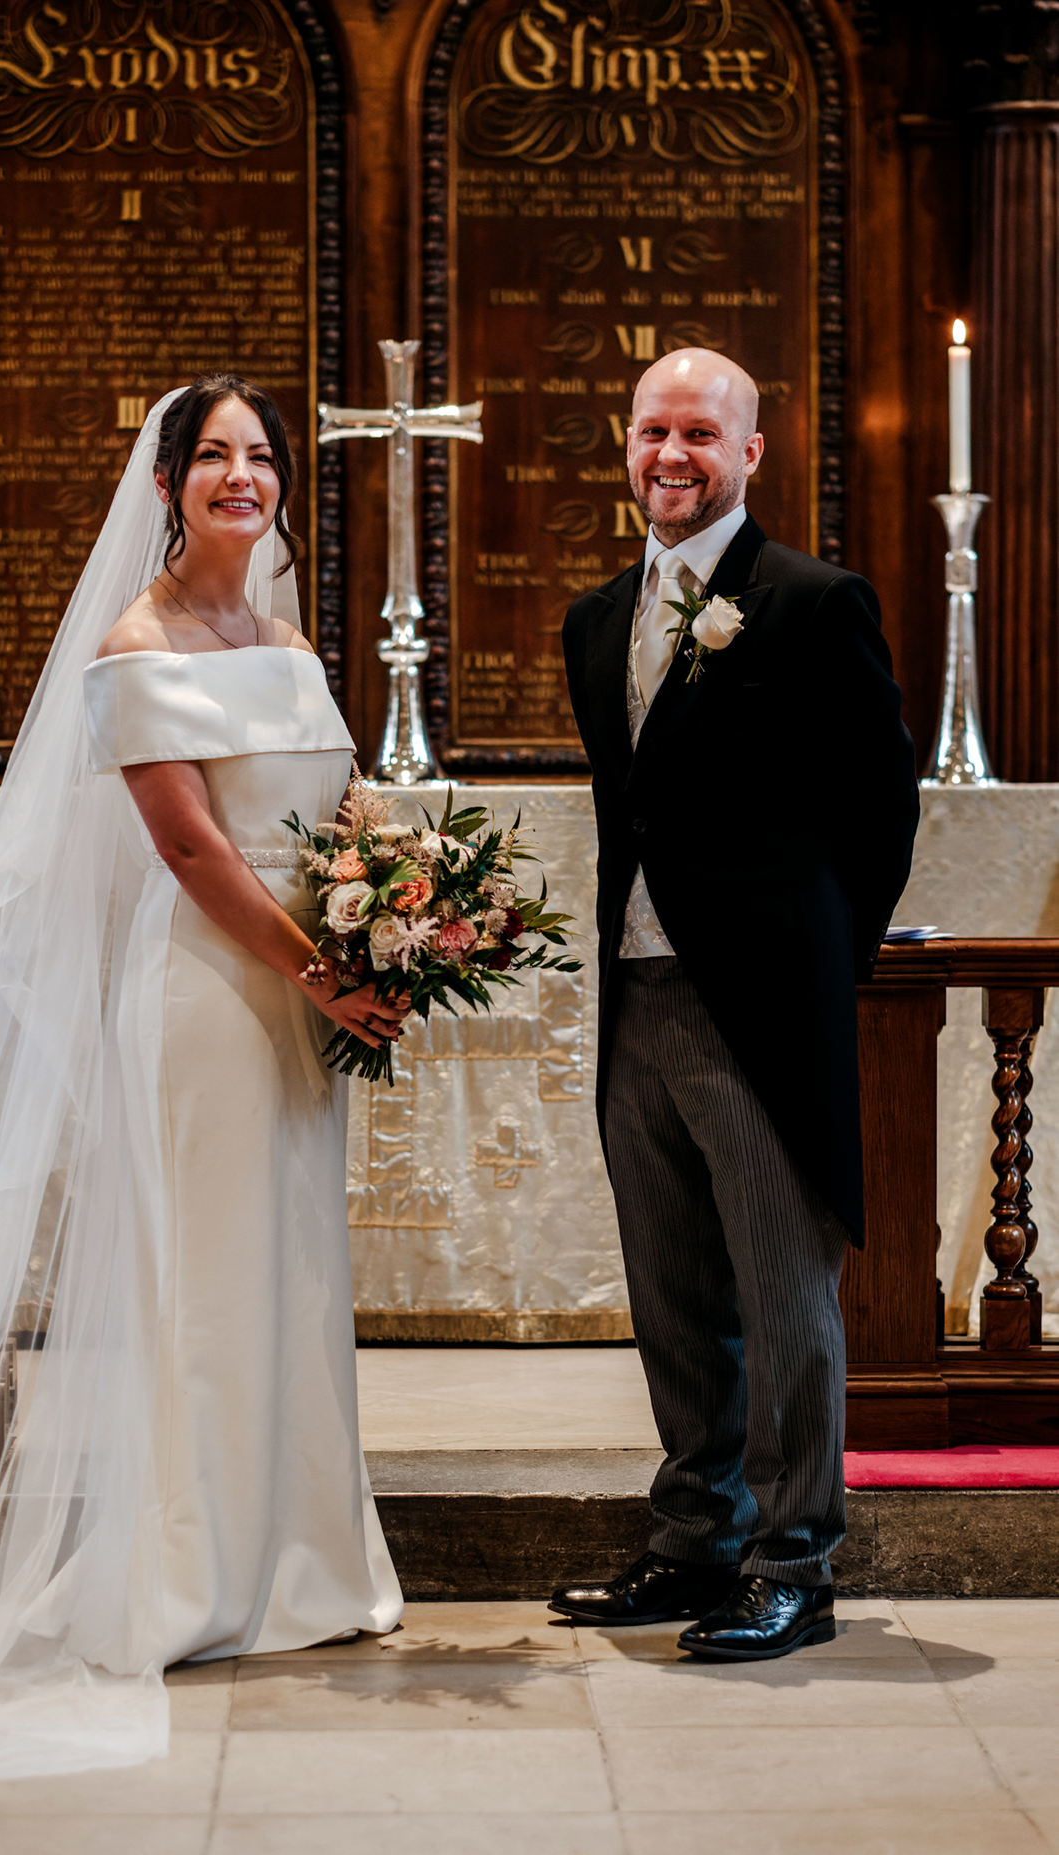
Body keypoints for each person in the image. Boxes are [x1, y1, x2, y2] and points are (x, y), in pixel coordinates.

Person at [0, 377, 404, 1790]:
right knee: (203, 1278)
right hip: (209, 993)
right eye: (213, 456)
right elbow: (194, 852)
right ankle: (190, 1574)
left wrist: (394, 903)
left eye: (260, 456)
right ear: (167, 483)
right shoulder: (135, 644)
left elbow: (328, 808)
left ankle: (307, 1566)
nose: (241, 477)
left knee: (293, 1269)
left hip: (300, 994)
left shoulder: (280, 635)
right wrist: (321, 970)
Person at [554, 350, 919, 1661]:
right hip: (637, 1003)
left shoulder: (812, 603)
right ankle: (695, 1537)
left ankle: (793, 1563)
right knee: (672, 1297)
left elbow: (879, 811)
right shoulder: (598, 621)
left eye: (699, 432)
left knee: (784, 1303)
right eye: (653, 428)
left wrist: (817, 966)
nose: (671, 453)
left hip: (760, 1014)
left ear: (751, 453)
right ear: (627, 443)